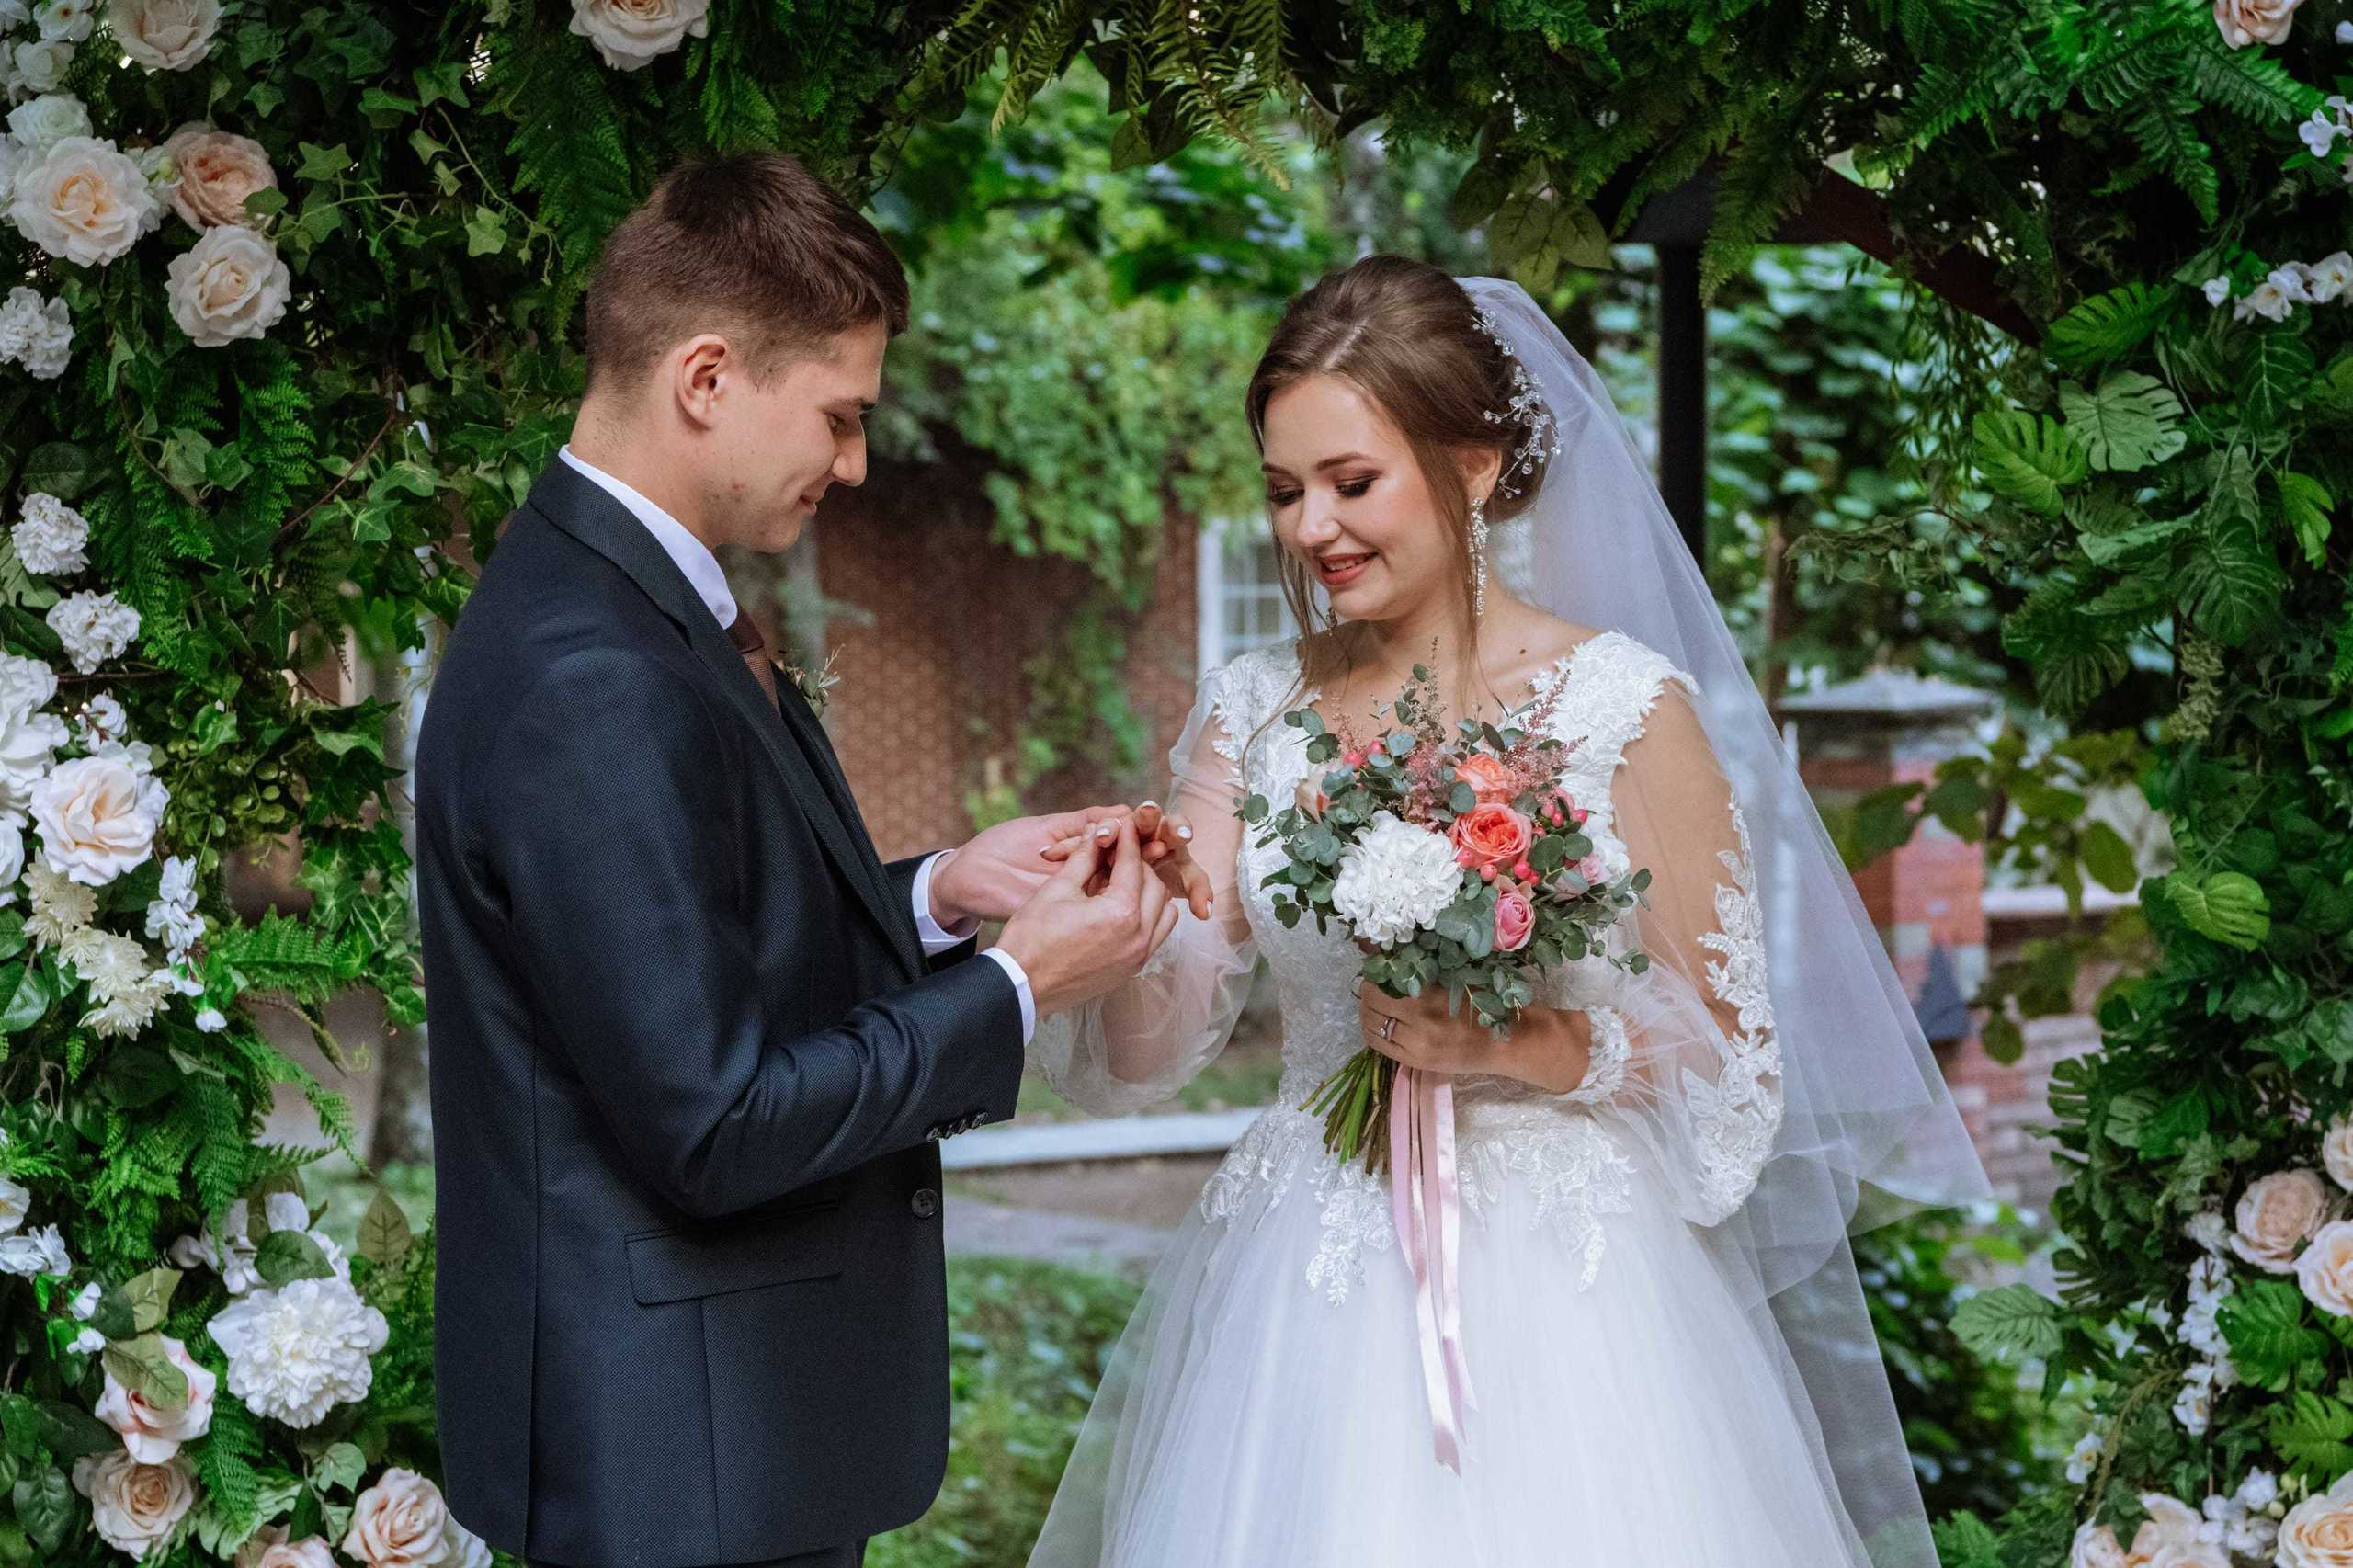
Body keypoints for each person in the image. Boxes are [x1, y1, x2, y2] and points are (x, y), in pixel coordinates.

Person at [1024, 255, 1990, 1567]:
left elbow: (1729, 1068)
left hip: (1577, 1296)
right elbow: (1153, 1040)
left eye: (1350, 482)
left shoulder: (1622, 707)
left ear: (1472, 465)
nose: (1312, 528)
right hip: (1314, 1279)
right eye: (1285, 491)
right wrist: (1125, 915)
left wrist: (1523, 1048)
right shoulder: (1255, 709)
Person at [414, 152, 1202, 1568]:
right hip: (675, 1471)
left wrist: (942, 892)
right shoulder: (590, 668)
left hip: (709, 1446)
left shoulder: (610, 595)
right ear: (707, 377)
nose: (854, 463)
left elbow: (693, 957)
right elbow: (715, 1122)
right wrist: (1017, 989)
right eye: (840, 417)